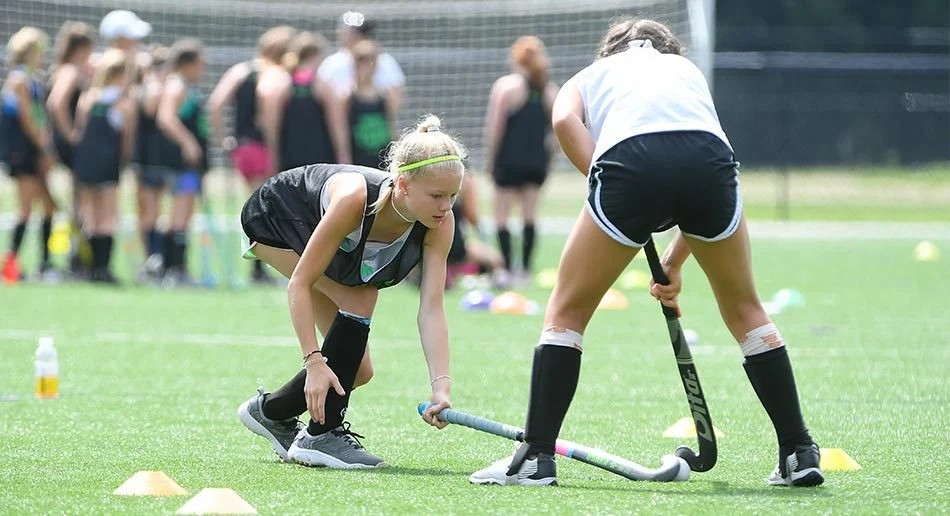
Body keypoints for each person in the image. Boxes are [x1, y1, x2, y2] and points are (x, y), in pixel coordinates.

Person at [470, 18, 824, 488]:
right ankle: (798, 450)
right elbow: (695, 160)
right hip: (710, 163)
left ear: (611, 51)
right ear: (668, 48)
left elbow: (562, 119)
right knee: (745, 308)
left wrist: (607, 183)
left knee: (567, 311)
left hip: (629, 163)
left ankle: (535, 457)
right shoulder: (685, 70)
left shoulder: (595, 74)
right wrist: (673, 261)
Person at [236, 114, 463, 469]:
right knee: (361, 296)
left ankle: (270, 413)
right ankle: (320, 435)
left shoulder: (440, 224)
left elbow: (432, 308)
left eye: (452, 195)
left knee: (357, 371)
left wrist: (441, 388)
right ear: (402, 184)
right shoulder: (354, 198)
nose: (446, 206)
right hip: (275, 220)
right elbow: (300, 284)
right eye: (436, 195)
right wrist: (312, 361)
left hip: (310, 236)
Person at [208, 25, 296, 284]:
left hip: (243, 147)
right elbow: (267, 116)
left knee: (255, 204)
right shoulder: (274, 74)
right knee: (264, 208)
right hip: (261, 147)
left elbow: (216, 103)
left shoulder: (241, 70)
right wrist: (274, 149)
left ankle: (259, 267)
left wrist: (223, 138)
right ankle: (258, 268)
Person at [484, 36, 558, 281]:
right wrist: (548, 157)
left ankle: (505, 270)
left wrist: (491, 161)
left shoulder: (506, 86)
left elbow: (495, 129)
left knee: (502, 215)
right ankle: (524, 270)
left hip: (509, 161)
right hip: (536, 162)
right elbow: (559, 132)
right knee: (530, 214)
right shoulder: (549, 90)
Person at [72, 48, 137, 283]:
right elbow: (127, 139)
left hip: (86, 162)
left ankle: (86, 267)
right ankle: (102, 268)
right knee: (107, 216)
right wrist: (126, 163)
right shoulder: (124, 103)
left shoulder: (88, 99)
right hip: (108, 163)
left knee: (88, 214)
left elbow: (80, 133)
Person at [0, 27, 56, 284]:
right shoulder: (19, 80)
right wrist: (44, 147)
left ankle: (46, 263)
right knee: (26, 208)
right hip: (23, 152)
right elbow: (26, 118)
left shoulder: (33, 80)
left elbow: (39, 117)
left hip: (34, 150)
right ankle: (10, 265)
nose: (42, 57)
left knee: (47, 207)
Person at [155, 38, 207, 286]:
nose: (203, 67)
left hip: (189, 164)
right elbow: (166, 118)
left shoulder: (186, 84)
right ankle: (174, 270)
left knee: (184, 212)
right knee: (180, 212)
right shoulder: (177, 85)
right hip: (181, 163)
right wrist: (188, 142)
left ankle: (175, 267)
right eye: (200, 62)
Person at [47, 21, 94, 280]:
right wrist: (72, 134)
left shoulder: (67, 68)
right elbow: (56, 103)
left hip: (66, 146)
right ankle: (76, 257)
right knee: (80, 202)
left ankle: (77, 255)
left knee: (79, 200)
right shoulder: (70, 71)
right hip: (71, 148)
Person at [279, 31, 349, 170]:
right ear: (315, 55)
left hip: (289, 154)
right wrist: (343, 154)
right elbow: (336, 123)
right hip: (319, 156)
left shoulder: (284, 82)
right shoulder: (320, 84)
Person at [318, 11, 405, 117]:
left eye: (360, 32)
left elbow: (395, 97)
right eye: (352, 32)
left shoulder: (384, 61)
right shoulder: (332, 63)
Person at [132, 44, 170, 283]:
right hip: (147, 160)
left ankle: (155, 258)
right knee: (149, 212)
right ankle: (152, 258)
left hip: (156, 159)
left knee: (155, 211)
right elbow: (150, 108)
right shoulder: (149, 87)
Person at [345, 40, 394, 170]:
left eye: (370, 62)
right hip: (358, 158)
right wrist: (345, 160)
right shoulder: (348, 96)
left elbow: (389, 125)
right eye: (361, 62)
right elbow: (341, 131)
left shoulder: (383, 95)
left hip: (381, 156)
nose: (366, 67)